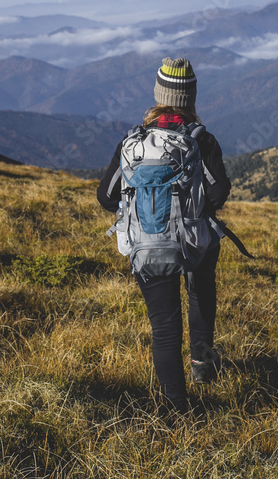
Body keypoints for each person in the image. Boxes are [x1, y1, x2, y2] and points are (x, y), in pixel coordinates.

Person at [96, 56, 231, 413]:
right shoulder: (201, 140)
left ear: (159, 95)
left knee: (165, 326)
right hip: (192, 242)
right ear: (191, 97)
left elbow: (106, 196)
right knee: (201, 288)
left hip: (146, 247)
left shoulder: (133, 142)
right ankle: (202, 364)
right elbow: (218, 194)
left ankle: (177, 408)